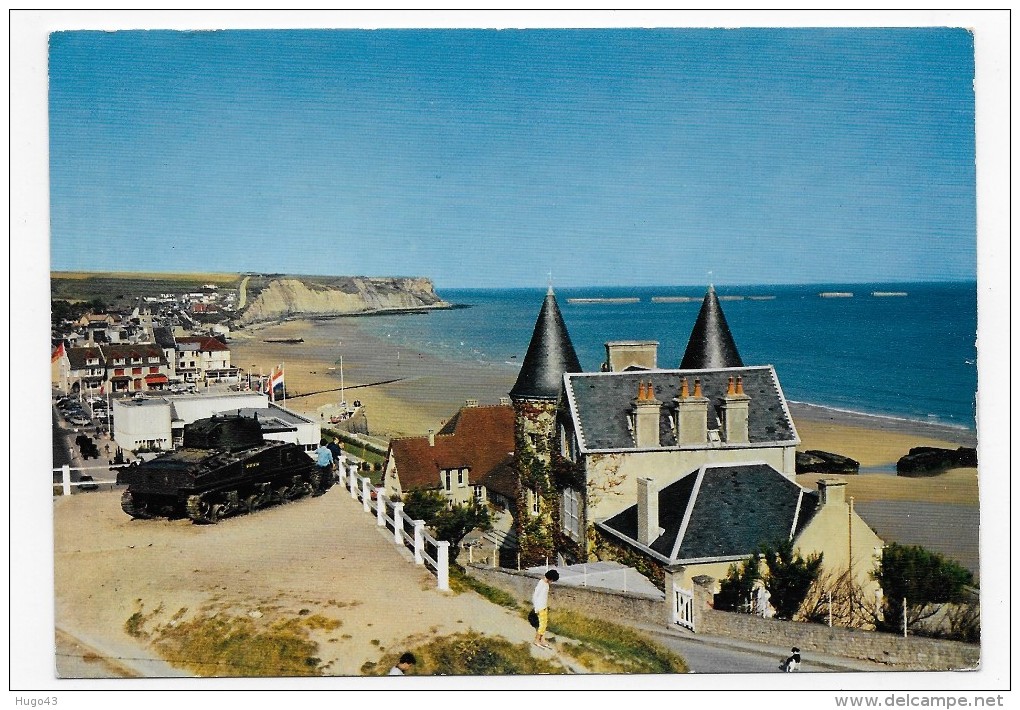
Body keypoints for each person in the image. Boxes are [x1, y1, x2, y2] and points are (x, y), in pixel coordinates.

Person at [532, 569, 559, 649]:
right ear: (550, 578)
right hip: (540, 607)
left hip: (544, 606)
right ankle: (537, 640)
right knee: (542, 625)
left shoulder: (546, 584)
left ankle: (542, 640)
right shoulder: (541, 584)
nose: (552, 582)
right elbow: (535, 596)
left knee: (544, 625)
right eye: (552, 580)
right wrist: (536, 608)